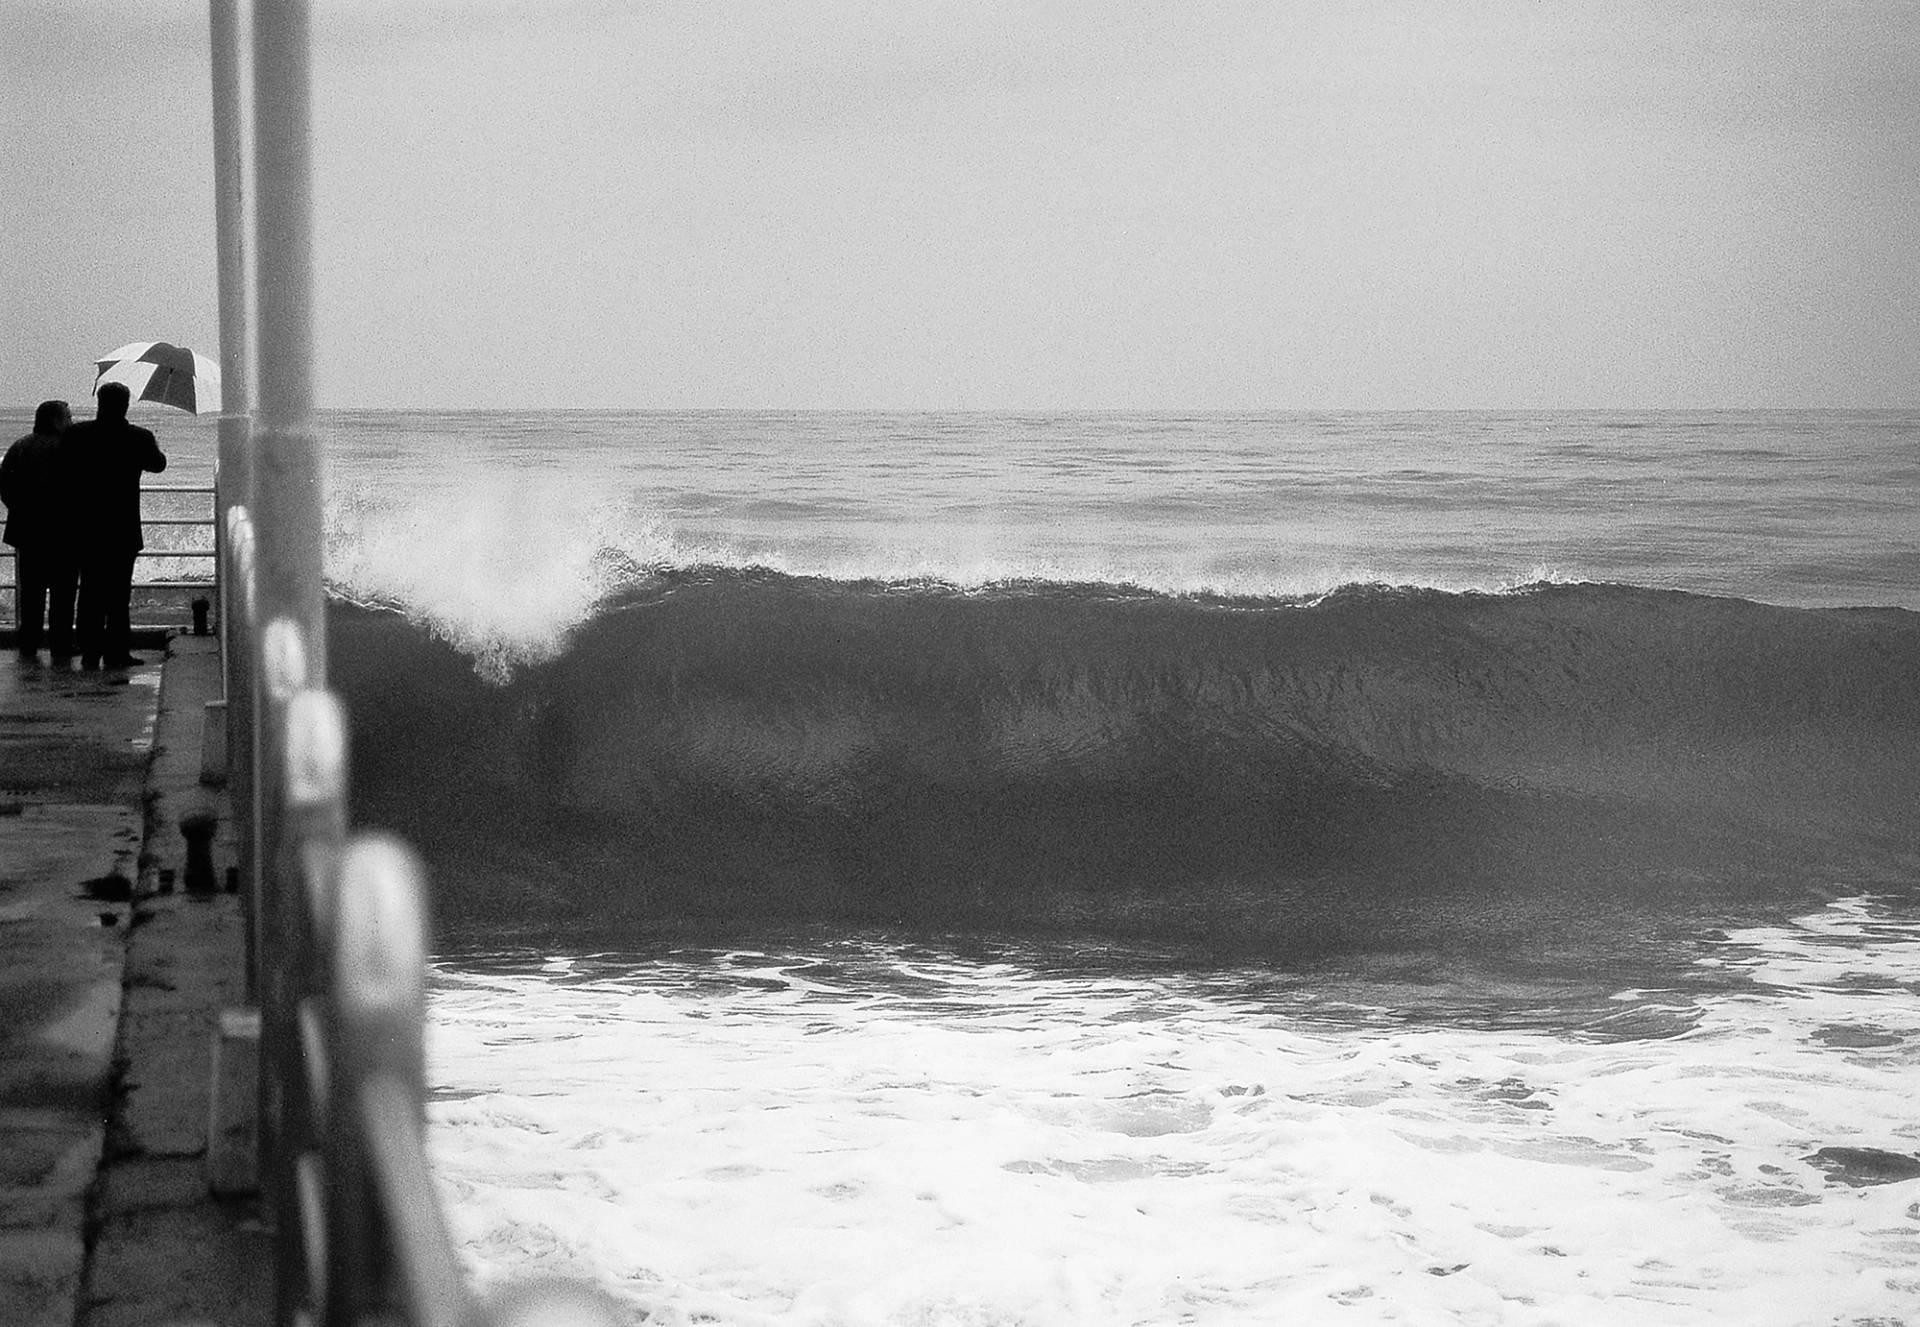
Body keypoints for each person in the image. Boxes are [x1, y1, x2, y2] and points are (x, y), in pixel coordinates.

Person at [65, 381, 166, 669]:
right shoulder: (138, 437)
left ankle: (89, 651)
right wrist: (154, 443)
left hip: (85, 527)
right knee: (119, 595)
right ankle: (117, 653)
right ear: (125, 405)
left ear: (99, 402)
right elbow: (158, 464)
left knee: (89, 592)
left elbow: (62, 469)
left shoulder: (76, 434)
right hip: (122, 528)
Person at [1, 399, 79, 663]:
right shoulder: (68, 449)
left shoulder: (19, 447)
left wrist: (21, 510)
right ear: (56, 420)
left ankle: (29, 645)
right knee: (63, 595)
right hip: (63, 534)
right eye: (68, 417)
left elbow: (5, 487)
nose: (71, 422)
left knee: (31, 595)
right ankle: (61, 646)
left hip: (27, 532)